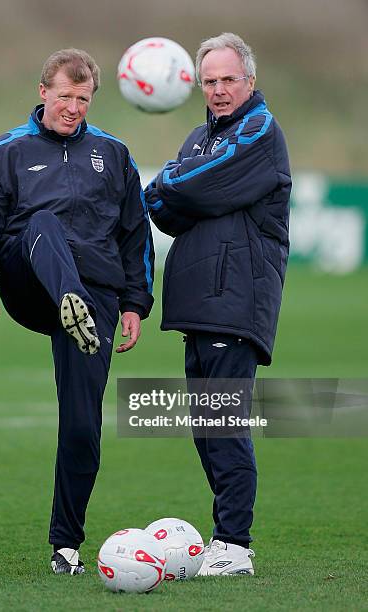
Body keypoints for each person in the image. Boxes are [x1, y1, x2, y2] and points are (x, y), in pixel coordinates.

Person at [0, 48, 154, 575]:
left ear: (93, 99)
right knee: (42, 224)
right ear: (43, 91)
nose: (73, 107)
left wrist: (135, 302)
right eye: (64, 95)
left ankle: (66, 547)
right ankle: (72, 303)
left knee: (83, 424)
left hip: (99, 297)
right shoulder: (5, 152)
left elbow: (136, 235)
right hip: (31, 282)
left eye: (83, 98)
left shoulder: (113, 153)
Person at [145, 32, 291, 575]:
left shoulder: (258, 128)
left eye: (230, 79)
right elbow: (167, 211)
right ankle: (223, 538)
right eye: (210, 81)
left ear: (250, 81)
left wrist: (170, 182)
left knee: (224, 422)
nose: (220, 90)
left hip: (237, 295)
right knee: (206, 427)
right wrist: (175, 187)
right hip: (199, 301)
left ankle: (235, 543)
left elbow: (191, 190)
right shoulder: (198, 139)